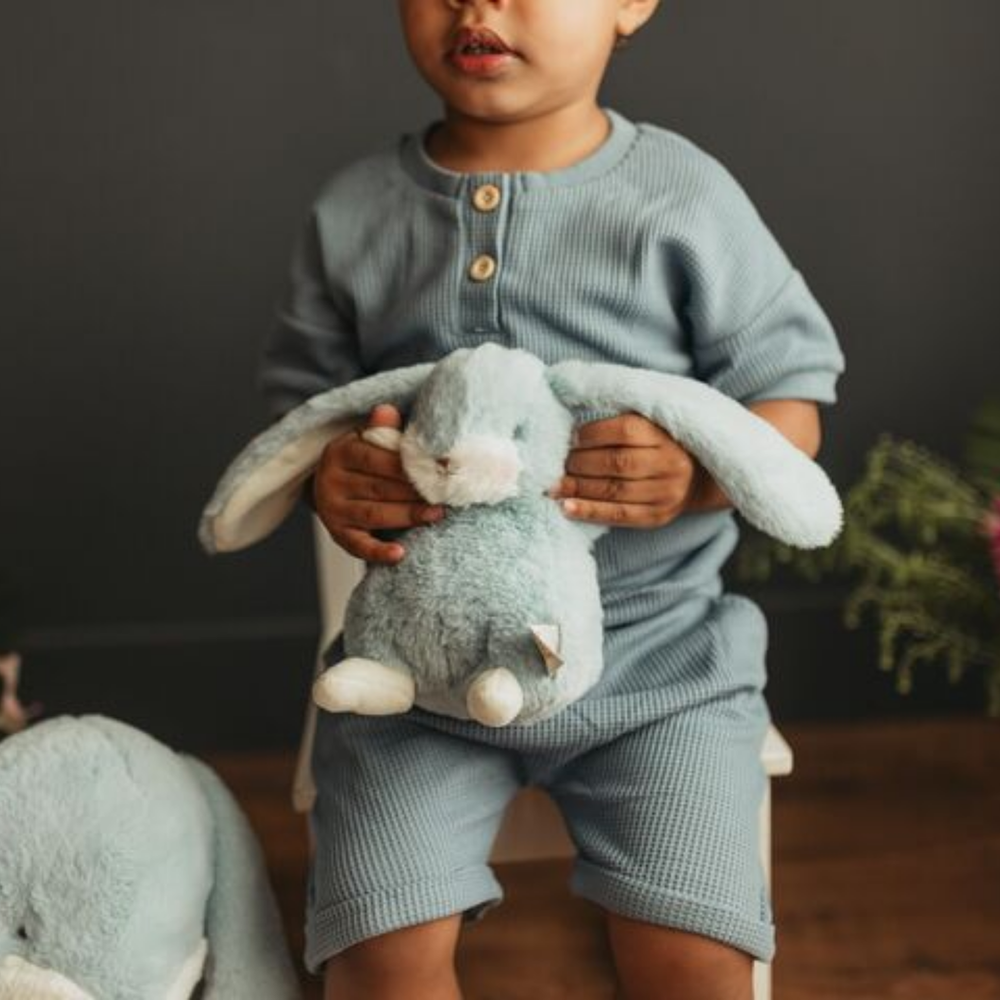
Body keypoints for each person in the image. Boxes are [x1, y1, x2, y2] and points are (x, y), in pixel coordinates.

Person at [260, 1, 846, 997]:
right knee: (379, 959)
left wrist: (697, 475)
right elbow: (301, 422)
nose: (478, 5)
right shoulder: (355, 211)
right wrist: (335, 476)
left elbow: (790, 403)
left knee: (695, 961)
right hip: (418, 675)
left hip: (658, 666)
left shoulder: (683, 199)